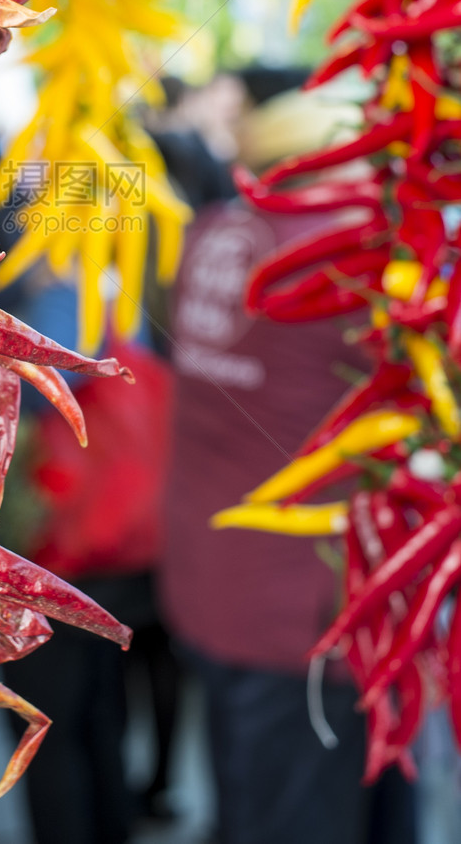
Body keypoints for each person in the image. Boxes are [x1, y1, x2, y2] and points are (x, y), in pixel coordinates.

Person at [159, 82, 418, 844]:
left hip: (218, 580)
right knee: (300, 813)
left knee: (256, 795)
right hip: (304, 609)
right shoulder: (344, 255)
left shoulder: (214, 230)